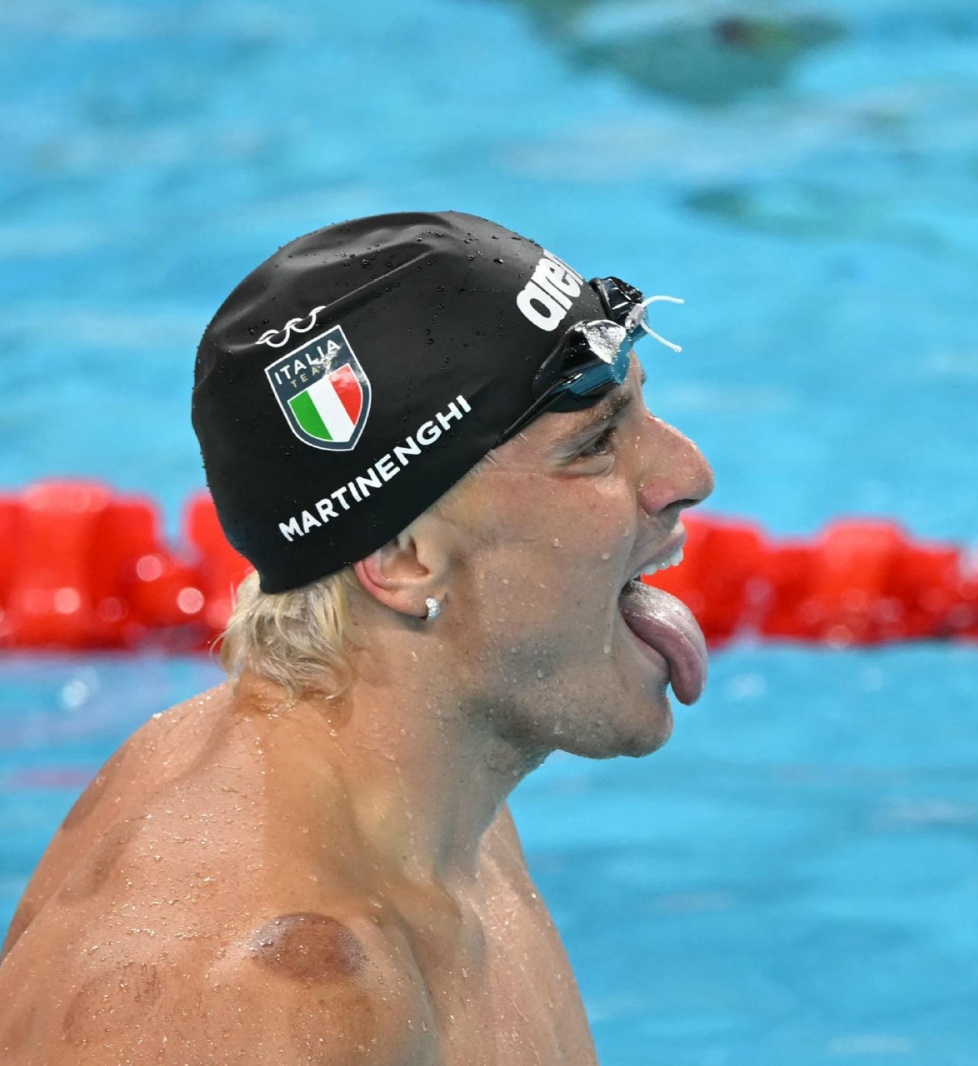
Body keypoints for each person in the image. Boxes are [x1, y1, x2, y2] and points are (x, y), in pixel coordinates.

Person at [0, 211, 715, 1064]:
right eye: (595, 444)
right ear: (404, 557)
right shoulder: (281, 1005)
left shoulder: (432, 803)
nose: (689, 475)